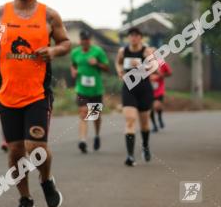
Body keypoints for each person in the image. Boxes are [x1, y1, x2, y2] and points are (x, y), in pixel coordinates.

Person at [0, 0, 71, 207]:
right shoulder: (0, 14)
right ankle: (25, 199)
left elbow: (66, 43)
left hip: (37, 94)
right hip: (7, 93)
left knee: (36, 147)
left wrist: (53, 51)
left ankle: (46, 180)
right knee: (16, 150)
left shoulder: (49, 16)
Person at [115, 27, 157, 166]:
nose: (133, 38)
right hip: (129, 88)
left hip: (144, 89)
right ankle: (130, 156)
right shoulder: (123, 51)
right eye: (131, 35)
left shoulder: (147, 51)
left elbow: (154, 66)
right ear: (128, 38)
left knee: (144, 124)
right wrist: (120, 72)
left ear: (140, 37)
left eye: (136, 35)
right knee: (130, 120)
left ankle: (145, 146)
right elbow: (118, 62)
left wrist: (140, 65)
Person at [70, 29, 110, 153]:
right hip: (81, 89)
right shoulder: (75, 52)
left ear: (90, 40)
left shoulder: (98, 51)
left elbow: (107, 67)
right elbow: (73, 64)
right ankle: (82, 140)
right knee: (83, 113)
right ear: (80, 40)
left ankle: (97, 136)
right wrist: (73, 71)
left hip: (96, 90)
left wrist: (97, 63)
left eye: (87, 39)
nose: (85, 41)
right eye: (83, 39)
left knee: (95, 117)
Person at [150, 59, 172, 132]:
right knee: (150, 108)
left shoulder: (161, 62)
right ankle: (154, 125)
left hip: (159, 89)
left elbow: (169, 73)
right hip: (148, 89)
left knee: (157, 106)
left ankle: (159, 117)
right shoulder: (144, 62)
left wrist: (160, 75)